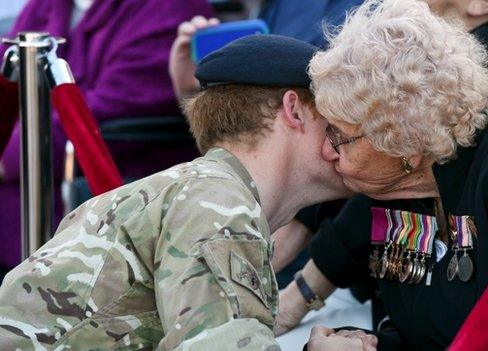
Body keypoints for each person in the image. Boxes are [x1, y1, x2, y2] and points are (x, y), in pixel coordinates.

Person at [277, 0, 488, 349]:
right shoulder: (408, 180)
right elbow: (428, 333)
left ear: (405, 143)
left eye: (339, 135)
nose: (327, 150)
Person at [0, 34, 375, 350]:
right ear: (294, 110)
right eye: (335, 111)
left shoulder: (199, 191)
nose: (351, 130)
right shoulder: (217, 205)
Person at [0, 0, 214, 274]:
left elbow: (115, 108)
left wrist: (8, 156)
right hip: (35, 165)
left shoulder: (168, 9)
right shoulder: (46, 5)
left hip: (113, 183)